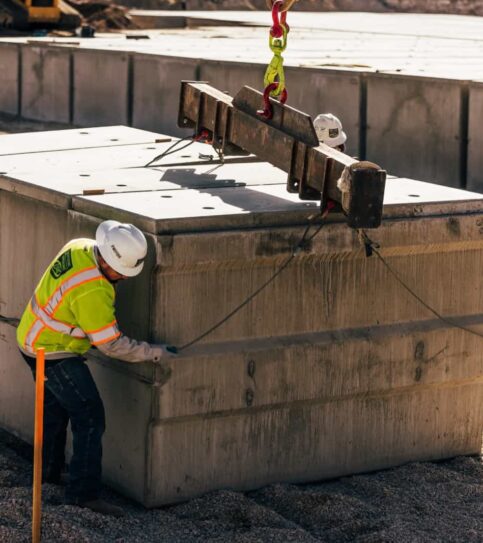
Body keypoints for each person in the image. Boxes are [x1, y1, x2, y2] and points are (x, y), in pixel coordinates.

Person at [16, 220, 174, 517]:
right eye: (122, 272)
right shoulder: (93, 291)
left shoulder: (80, 246)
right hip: (52, 351)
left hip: (31, 337)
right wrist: (155, 353)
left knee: (55, 409)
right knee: (89, 415)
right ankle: (83, 495)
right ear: (109, 262)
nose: (124, 278)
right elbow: (110, 344)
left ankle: (47, 475)